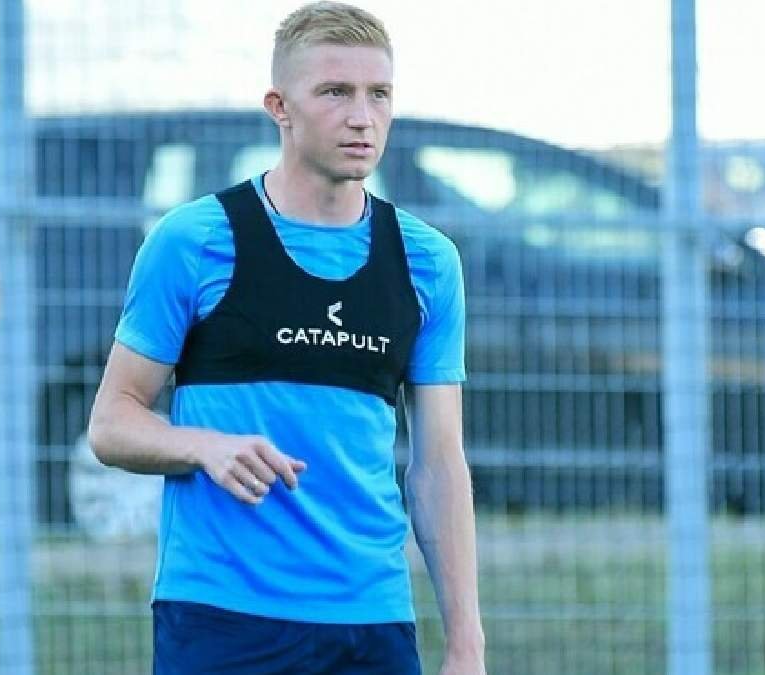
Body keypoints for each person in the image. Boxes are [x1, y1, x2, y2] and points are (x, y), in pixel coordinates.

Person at [87, 3, 485, 673]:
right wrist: (204, 446)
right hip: (220, 618)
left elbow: (440, 464)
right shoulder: (194, 241)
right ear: (280, 108)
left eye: (379, 94)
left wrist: (466, 644)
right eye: (335, 92)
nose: (362, 116)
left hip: (372, 623)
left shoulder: (427, 261)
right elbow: (111, 423)